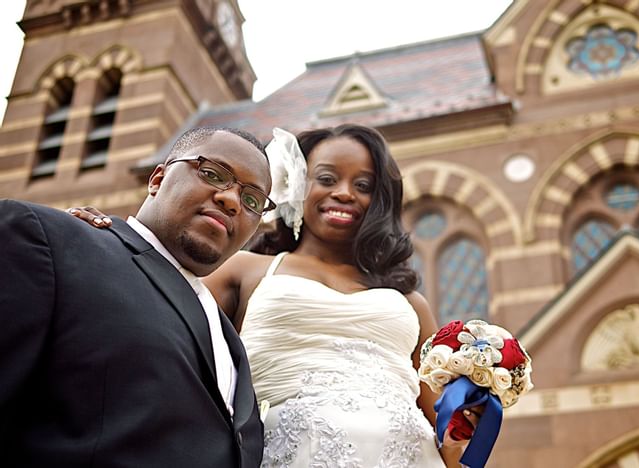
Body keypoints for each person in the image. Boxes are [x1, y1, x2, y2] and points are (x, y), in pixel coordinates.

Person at [69, 124, 480, 467]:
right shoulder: (244, 269)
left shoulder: (410, 301)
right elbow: (157, 313)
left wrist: (468, 428)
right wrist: (107, 244)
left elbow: (444, 429)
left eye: (363, 184)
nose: (344, 193)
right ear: (297, 186)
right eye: (326, 178)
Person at [0, 127, 273, 468]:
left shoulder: (230, 339)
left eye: (252, 200)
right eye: (213, 174)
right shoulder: (49, 241)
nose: (231, 200)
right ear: (157, 179)